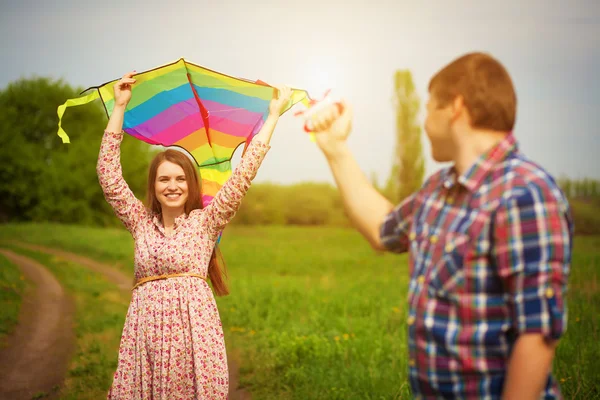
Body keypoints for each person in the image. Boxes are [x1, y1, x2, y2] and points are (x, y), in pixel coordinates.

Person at [308, 52, 573, 399]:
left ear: (455, 108)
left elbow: (535, 337)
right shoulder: (437, 190)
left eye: (429, 108)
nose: (423, 122)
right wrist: (335, 148)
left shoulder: (525, 194)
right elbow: (381, 229)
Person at [97, 71, 292, 399]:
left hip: (194, 335)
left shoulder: (207, 222)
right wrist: (119, 107)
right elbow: (109, 177)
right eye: (163, 180)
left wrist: (272, 116)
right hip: (145, 333)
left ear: (191, 185)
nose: (171, 186)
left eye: (179, 179)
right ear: (154, 186)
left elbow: (244, 174)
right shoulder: (140, 222)